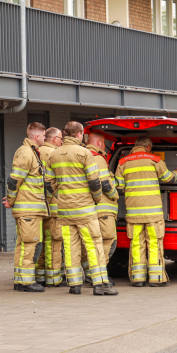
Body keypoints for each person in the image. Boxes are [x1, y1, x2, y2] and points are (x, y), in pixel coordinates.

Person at [44, 122, 118, 296]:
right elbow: (94, 182)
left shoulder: (54, 155)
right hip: (85, 210)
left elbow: (49, 183)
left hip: (65, 211)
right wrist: (96, 199)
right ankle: (100, 284)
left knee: (71, 247)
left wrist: (61, 196)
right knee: (94, 245)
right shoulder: (85, 153)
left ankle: (74, 285)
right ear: (79, 134)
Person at [114, 136, 177, 287]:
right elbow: (168, 178)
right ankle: (156, 279)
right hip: (153, 214)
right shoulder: (155, 160)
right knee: (154, 243)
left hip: (133, 214)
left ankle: (138, 279)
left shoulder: (123, 162)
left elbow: (118, 188)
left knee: (136, 244)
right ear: (148, 147)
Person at [2, 122, 49, 293]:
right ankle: (27, 282)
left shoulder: (32, 152)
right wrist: (10, 200)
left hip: (31, 209)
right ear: (37, 136)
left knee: (24, 245)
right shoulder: (26, 152)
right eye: (44, 135)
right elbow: (14, 180)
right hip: (29, 210)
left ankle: (21, 280)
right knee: (30, 245)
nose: (45, 138)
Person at [80, 132, 119, 284]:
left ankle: (92, 273)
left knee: (90, 243)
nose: (104, 147)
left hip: (88, 208)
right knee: (108, 241)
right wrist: (116, 195)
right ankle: (98, 274)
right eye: (103, 143)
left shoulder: (82, 155)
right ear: (98, 143)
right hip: (104, 209)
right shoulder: (98, 158)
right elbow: (105, 184)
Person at [36, 127, 65, 287]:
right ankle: (53, 278)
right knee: (54, 242)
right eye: (60, 138)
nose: (62, 142)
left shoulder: (36, 151)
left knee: (40, 242)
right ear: (54, 139)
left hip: (38, 207)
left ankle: (40, 276)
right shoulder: (54, 154)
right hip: (53, 207)